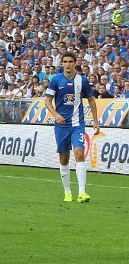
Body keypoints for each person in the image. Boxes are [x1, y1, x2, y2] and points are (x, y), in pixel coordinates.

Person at [44, 51, 100, 203]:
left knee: (79, 153)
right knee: (64, 157)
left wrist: (95, 121)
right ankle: (67, 191)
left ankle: (82, 192)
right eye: (65, 61)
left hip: (77, 124)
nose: (68, 64)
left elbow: (91, 101)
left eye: (70, 61)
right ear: (61, 63)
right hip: (61, 125)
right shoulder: (56, 80)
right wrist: (55, 114)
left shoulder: (82, 80)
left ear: (75, 63)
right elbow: (47, 101)